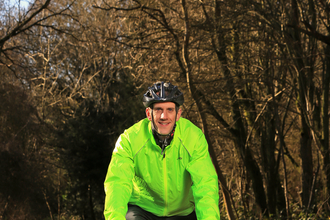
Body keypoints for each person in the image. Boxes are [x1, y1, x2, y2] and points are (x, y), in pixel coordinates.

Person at [104, 81, 220, 220]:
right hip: (143, 210)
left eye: (170, 109)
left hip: (182, 212)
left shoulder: (193, 138)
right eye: (158, 109)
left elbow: (205, 185)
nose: (164, 116)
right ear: (149, 113)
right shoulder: (129, 140)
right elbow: (117, 184)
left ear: (178, 114)